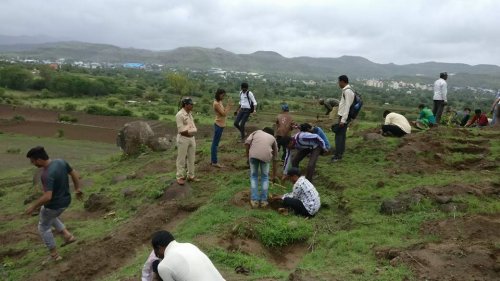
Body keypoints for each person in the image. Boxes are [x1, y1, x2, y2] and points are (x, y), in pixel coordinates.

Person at [24, 146, 83, 262]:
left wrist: (33, 206)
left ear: (39, 160)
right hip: (65, 202)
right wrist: (77, 189)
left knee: (43, 227)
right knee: (48, 215)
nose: (32, 163)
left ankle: (54, 255)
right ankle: (67, 236)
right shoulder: (61, 162)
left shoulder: (46, 174)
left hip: (54, 205)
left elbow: (48, 196)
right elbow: (74, 173)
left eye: (33, 161)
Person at [151, 230, 225, 281]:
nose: (156, 255)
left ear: (159, 248)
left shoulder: (163, 266)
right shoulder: (189, 246)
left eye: (155, 250)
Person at [245, 127, 278, 208]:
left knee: (254, 176)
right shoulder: (273, 138)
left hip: (253, 156)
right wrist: (274, 175)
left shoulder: (256, 132)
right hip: (266, 157)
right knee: (265, 177)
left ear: (263, 130)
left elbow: (247, 143)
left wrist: (247, 157)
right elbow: (275, 159)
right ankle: (263, 201)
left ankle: (254, 200)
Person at [331, 75, 355, 162]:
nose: (338, 84)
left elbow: (347, 106)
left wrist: (343, 120)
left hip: (344, 117)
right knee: (341, 136)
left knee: (339, 136)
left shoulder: (347, 91)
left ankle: (338, 155)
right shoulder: (347, 90)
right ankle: (339, 153)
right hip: (344, 116)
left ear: (342, 82)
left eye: (339, 82)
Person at [175, 97, 198, 185]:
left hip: (191, 138)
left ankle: (191, 175)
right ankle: (180, 177)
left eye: (192, 104)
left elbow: (192, 126)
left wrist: (192, 132)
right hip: (183, 138)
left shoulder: (189, 114)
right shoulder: (179, 115)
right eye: (190, 104)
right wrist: (192, 131)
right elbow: (181, 130)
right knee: (181, 158)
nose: (192, 106)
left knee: (192, 158)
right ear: (185, 105)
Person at [211, 88, 231, 168]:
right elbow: (224, 114)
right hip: (218, 125)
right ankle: (214, 162)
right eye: (222, 95)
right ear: (219, 94)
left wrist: (227, 107)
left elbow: (224, 111)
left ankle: (213, 161)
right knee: (215, 144)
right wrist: (229, 105)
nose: (223, 97)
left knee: (215, 143)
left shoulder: (219, 102)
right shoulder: (216, 103)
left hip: (221, 125)